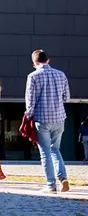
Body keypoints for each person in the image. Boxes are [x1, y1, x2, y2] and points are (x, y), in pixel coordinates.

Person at [25, 50, 71, 193]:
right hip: (59, 118)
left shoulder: (33, 76)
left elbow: (30, 101)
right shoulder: (61, 74)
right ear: (48, 60)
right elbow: (67, 97)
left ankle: (51, 184)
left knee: (45, 152)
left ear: (34, 63)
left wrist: (28, 116)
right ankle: (63, 178)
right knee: (55, 149)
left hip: (42, 118)